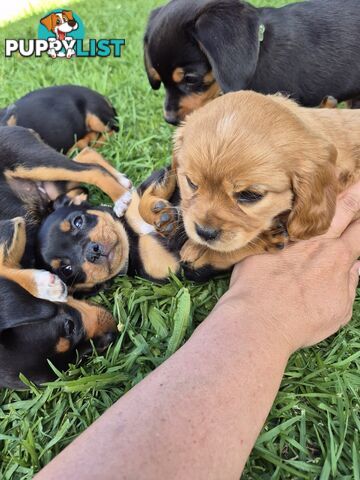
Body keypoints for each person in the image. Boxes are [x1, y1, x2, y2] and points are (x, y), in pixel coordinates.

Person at [35, 182, 360, 480]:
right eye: (67, 267)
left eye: (79, 223)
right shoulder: (149, 264)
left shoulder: (136, 213)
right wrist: (264, 318)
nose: (89, 249)